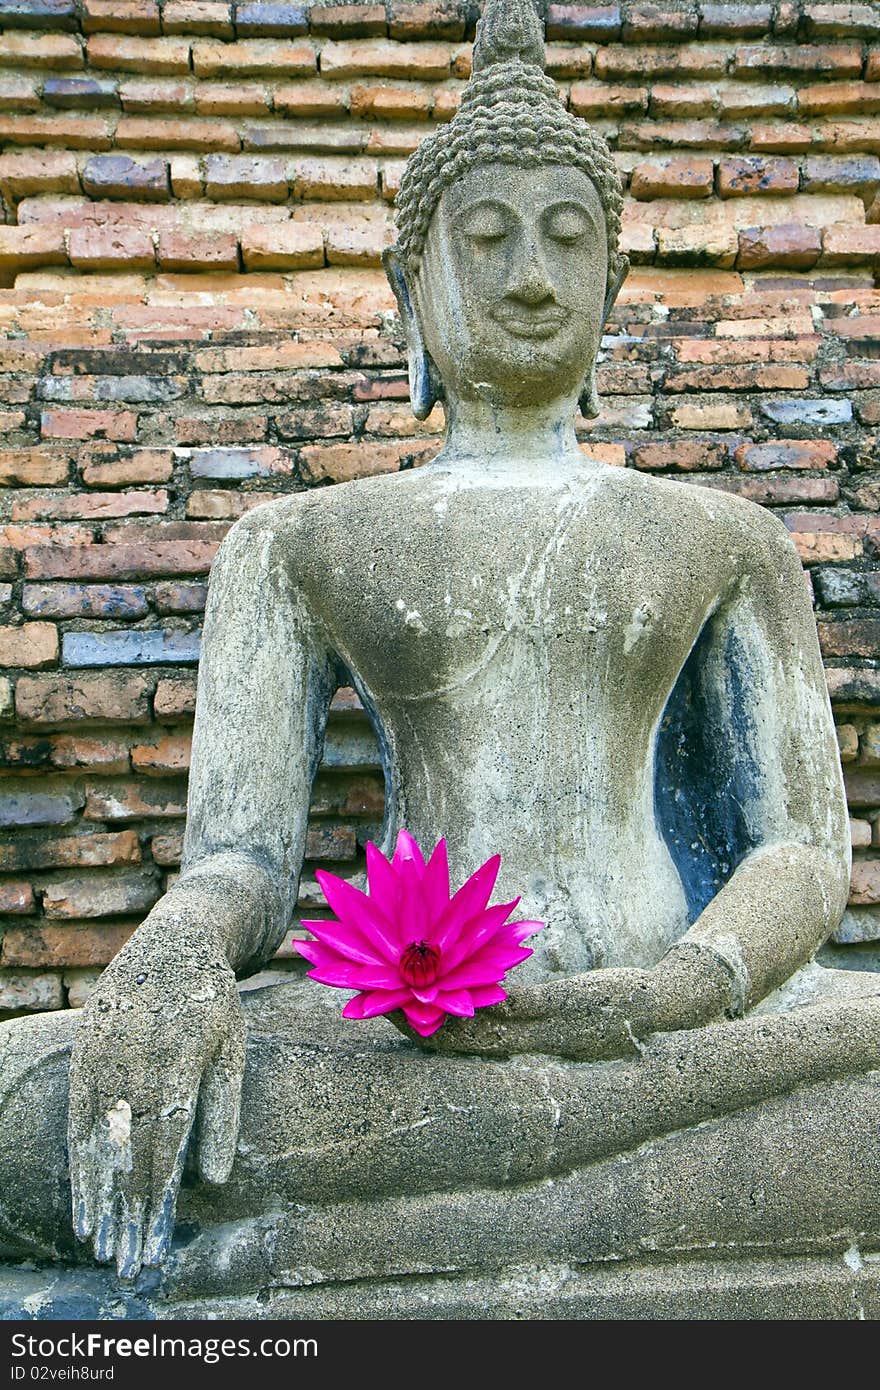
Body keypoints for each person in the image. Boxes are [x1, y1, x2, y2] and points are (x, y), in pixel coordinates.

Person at [2, 0, 878, 1297]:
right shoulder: (298, 542)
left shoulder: (726, 538)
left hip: (675, 1029)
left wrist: (674, 992)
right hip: (405, 1049)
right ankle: (560, 1211)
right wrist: (175, 947)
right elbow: (244, 861)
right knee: (39, 1118)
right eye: (487, 237)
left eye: (567, 240)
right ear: (414, 292)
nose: (530, 274)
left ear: (612, 290)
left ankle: (364, 1247)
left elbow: (804, 851)